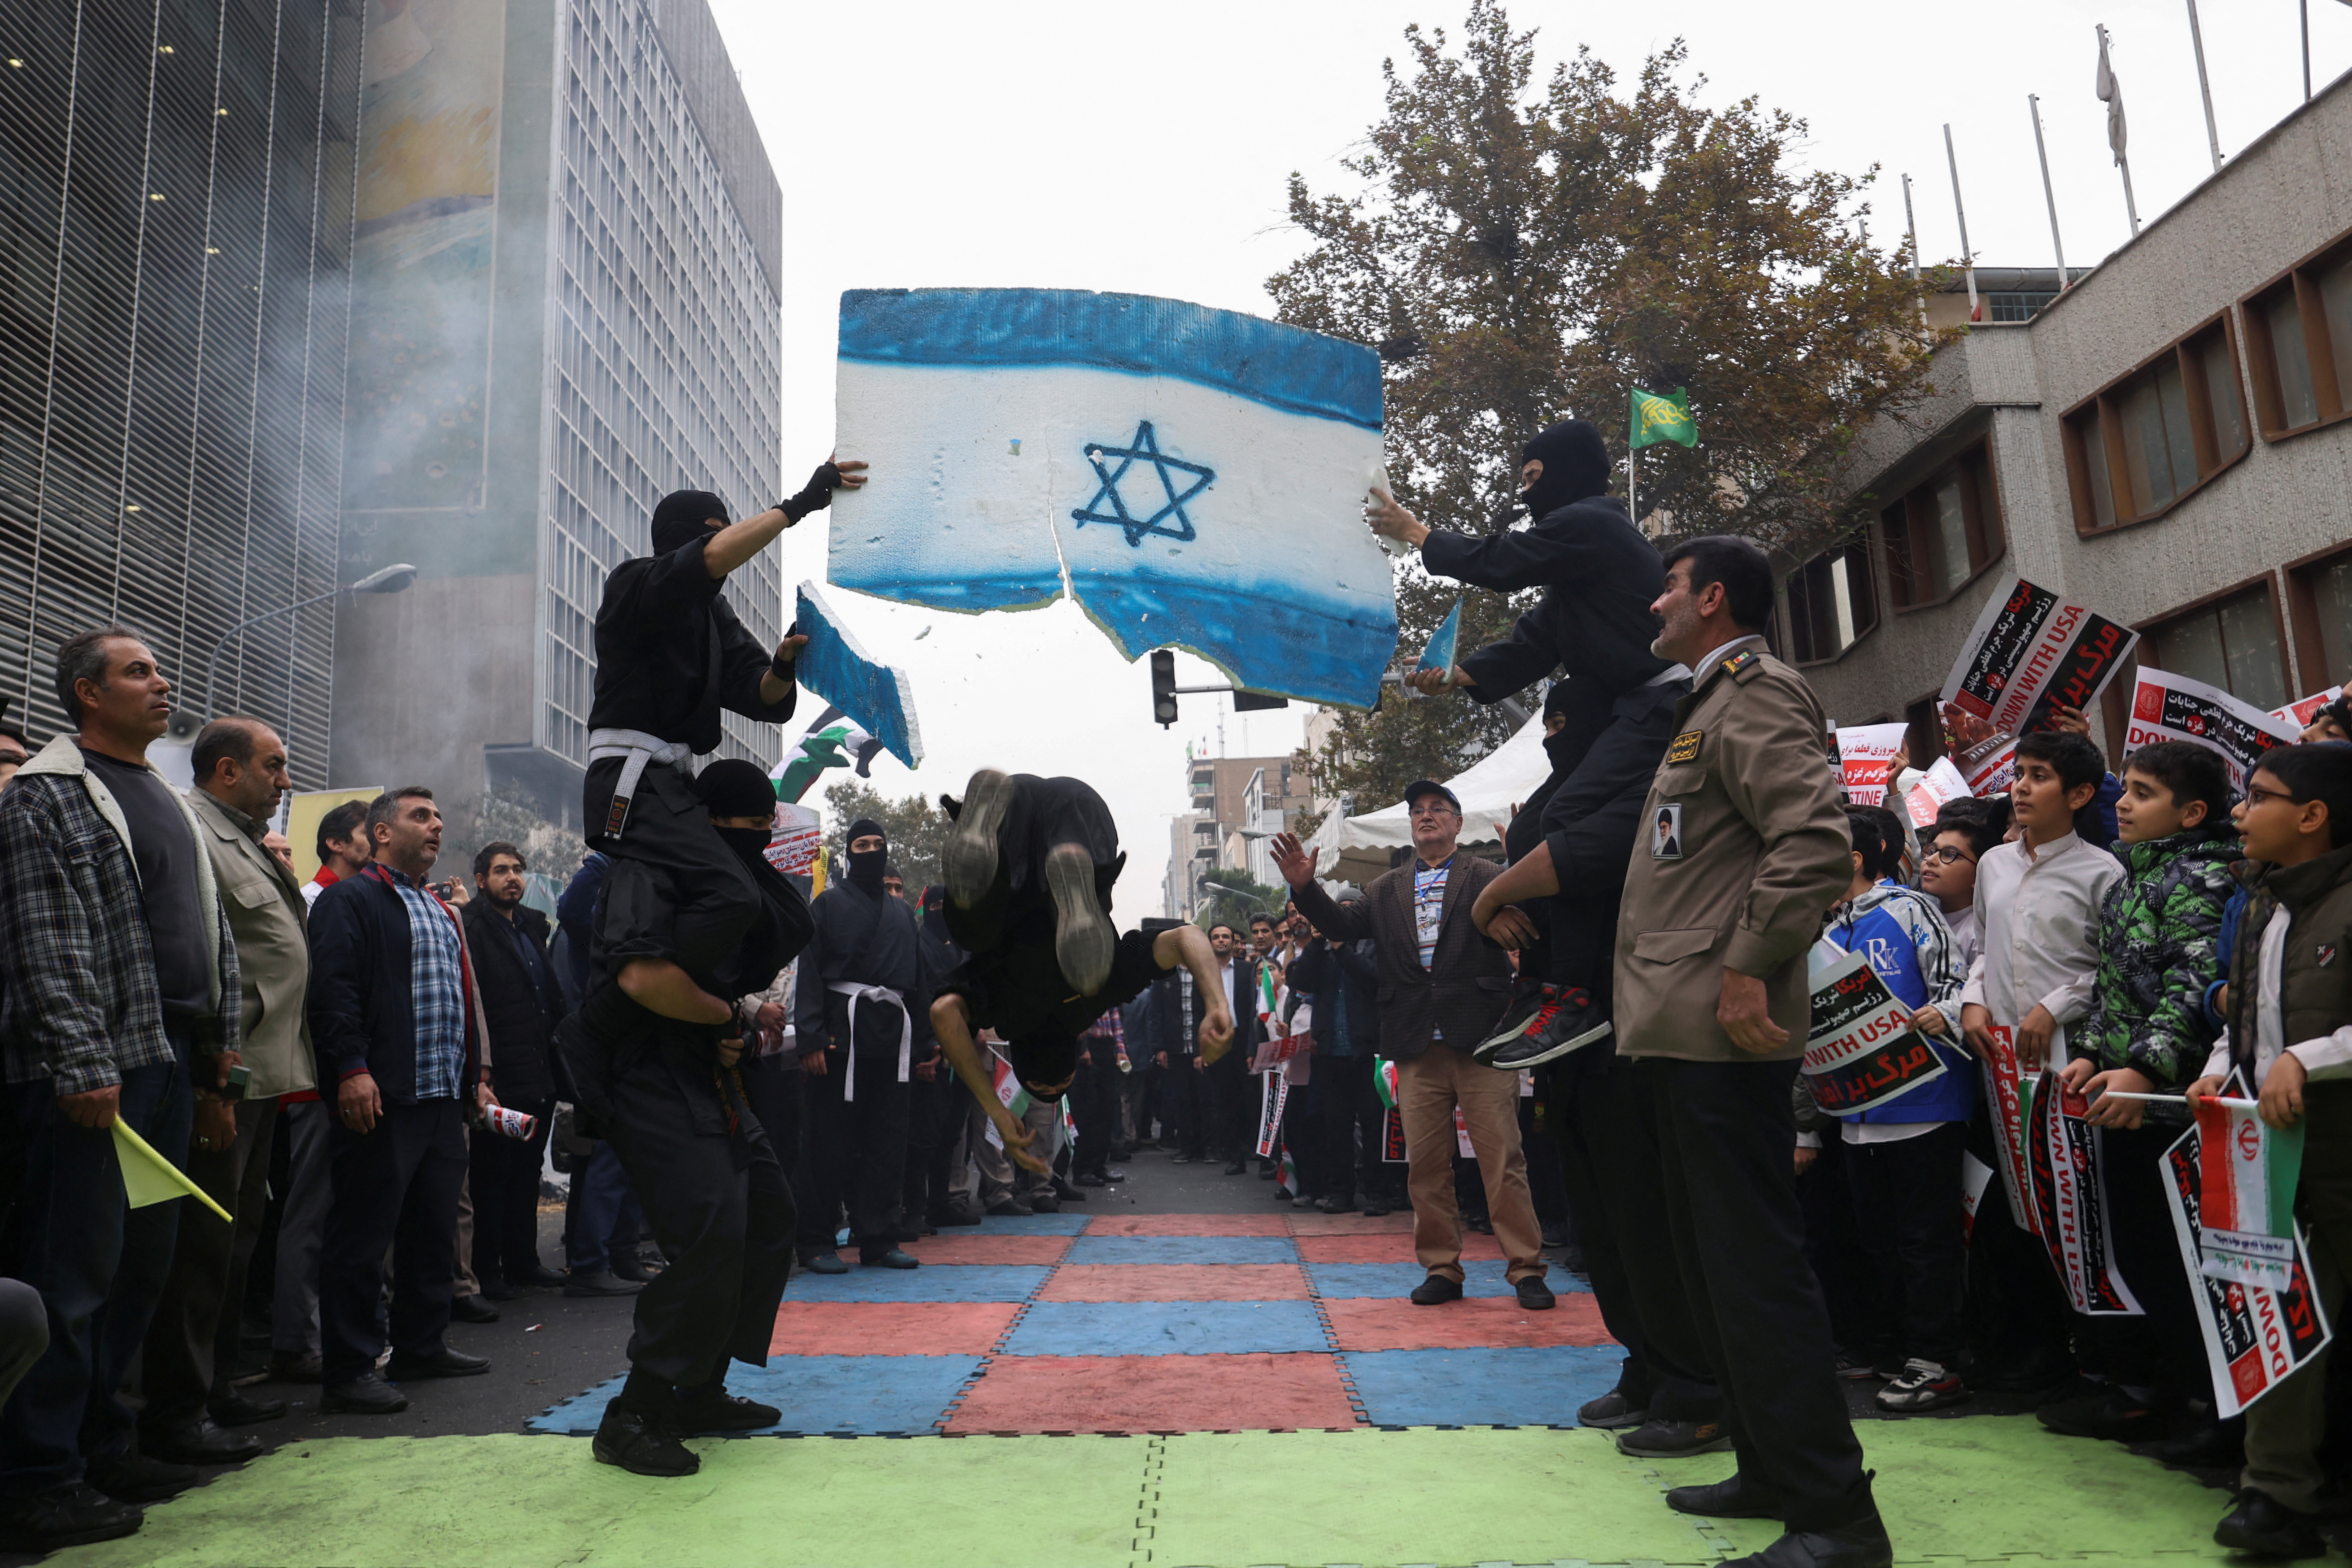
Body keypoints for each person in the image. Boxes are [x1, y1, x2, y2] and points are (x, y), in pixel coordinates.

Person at [1588, 537, 1890, 1568]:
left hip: (1725, 1032)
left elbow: (1813, 840)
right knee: (1720, 1269)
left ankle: (1838, 1517)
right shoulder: (1703, 701)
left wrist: (1751, 963)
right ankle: (1769, 1465)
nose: (1652, 605)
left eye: (1667, 588)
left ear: (1713, 599)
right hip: (1681, 1029)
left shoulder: (1757, 691)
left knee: (1756, 1273)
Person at [0, 629, 243, 1551]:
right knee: (75, 1273)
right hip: (98, 1065)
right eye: (138, 670)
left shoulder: (168, 798)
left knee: (142, 1265)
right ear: (85, 692)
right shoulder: (46, 795)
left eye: (160, 669)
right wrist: (80, 1060)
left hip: (171, 1056)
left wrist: (219, 1051)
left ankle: (109, 1443)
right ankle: (39, 1474)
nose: (161, 681)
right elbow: (43, 939)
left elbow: (209, 934)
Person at [1373, 417, 1678, 1066]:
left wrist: (1419, 535)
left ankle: (1577, 992)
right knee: (1532, 827)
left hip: (1658, 704)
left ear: (1566, 476)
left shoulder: (1594, 523)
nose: (1527, 495)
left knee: (1570, 820)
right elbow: (1535, 640)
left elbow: (1504, 563)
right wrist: (1457, 677)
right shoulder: (1577, 578)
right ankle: (1539, 982)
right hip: (1621, 711)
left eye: (1535, 480)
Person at [562, 758, 809, 1477]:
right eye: (745, 829)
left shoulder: (736, 887)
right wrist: (726, 1012)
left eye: (767, 830)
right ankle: (633, 1413)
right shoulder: (645, 872)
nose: (755, 844)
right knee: (711, 1232)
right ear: (704, 824)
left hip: (705, 1071)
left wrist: (730, 1024)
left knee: (767, 1216)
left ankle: (699, 1388)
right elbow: (643, 977)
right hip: (645, 1074)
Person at [1270, 781, 1556, 1314]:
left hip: (1481, 1040)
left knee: (1503, 1162)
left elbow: (1534, 920)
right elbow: (1339, 926)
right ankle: (1442, 1268)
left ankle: (1526, 1269)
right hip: (1414, 1044)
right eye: (1418, 811)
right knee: (1426, 1165)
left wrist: (1522, 855)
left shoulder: (1489, 876)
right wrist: (1307, 891)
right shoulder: (1384, 889)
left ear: (1457, 822)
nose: (1426, 817)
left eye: (1437, 810)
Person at [581, 472, 858, 993]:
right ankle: (647, 990)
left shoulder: (715, 614)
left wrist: (783, 664)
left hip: (677, 785)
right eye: (713, 532)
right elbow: (707, 559)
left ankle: (717, 993)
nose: (724, 541)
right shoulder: (633, 582)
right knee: (733, 894)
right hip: (630, 780)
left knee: (788, 915)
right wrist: (798, 506)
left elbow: (762, 696)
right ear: (683, 540)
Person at [2184, 744, 2352, 1559]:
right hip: (2272, 1157)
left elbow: (2303, 1041)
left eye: (2255, 797)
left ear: (2311, 817)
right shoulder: (2256, 902)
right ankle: (2275, 1491)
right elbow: (2244, 1020)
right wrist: (2222, 1070)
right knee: (2275, 1317)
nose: (2238, 813)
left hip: (2340, 1149)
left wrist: (2307, 1058)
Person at [2046, 741, 2237, 1452]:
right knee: (2143, 1252)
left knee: (2185, 1257)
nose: (2122, 804)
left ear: (2190, 813)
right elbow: (2116, 982)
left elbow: (2192, 988)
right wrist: (2095, 1050)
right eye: (2125, 790)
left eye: (2143, 793)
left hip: (2177, 1107)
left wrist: (2145, 1074)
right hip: (2128, 1096)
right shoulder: (2132, 877)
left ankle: (2223, 1413)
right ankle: (2188, 1393)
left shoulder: (2204, 876)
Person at [139, 718, 313, 1465]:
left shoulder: (238, 834)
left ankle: (213, 1387)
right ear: (227, 770)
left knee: (238, 1237)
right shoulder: (193, 830)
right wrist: (216, 1077)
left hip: (265, 1074)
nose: (284, 780)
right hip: (226, 1076)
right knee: (202, 1243)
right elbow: (204, 963)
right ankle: (178, 1409)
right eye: (273, 766)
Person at [926, 771, 1234, 1171]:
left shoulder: (1095, 998)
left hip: (1067, 822)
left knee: (992, 933)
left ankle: (1058, 898)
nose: (1052, 1076)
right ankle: (1056, 900)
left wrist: (1217, 1004)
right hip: (1049, 826)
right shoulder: (1004, 1008)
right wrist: (999, 1111)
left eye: (1044, 1082)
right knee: (975, 927)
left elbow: (1186, 937)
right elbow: (943, 1014)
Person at [307, 787, 497, 1416]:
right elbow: (333, 992)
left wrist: (475, 1078)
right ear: (381, 833)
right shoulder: (349, 900)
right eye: (422, 816)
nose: (438, 825)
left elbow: (460, 999)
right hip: (384, 1094)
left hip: (442, 1096)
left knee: (433, 1229)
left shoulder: (438, 909)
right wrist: (352, 1070)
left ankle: (421, 1345)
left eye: (440, 816)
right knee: (362, 1234)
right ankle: (352, 1366)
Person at [1957, 727, 2122, 1400]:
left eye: (2040, 776)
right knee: (2022, 1209)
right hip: (1999, 1061)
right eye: (2018, 773)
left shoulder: (2103, 871)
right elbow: (1983, 948)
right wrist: (1971, 1002)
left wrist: (2055, 1005)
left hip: (2066, 1065)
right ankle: (2041, 1354)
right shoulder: (1994, 865)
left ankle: (2105, 1362)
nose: (2021, 787)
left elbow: (2112, 968)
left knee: (2077, 1209)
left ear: (2080, 795)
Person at [1820, 807, 1973, 1415]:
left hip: (1923, 1103)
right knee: (1878, 1240)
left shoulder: (1911, 910)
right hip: (1857, 1115)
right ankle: (1899, 1349)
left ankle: (1936, 1361)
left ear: (1854, 860)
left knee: (1925, 1241)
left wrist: (1948, 1013)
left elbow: (1956, 988)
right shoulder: (1832, 930)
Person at [794, 819, 928, 1272]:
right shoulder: (828, 905)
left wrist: (926, 1042)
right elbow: (809, 972)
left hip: (893, 1038)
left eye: (878, 844)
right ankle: (815, 1240)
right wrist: (811, 1036)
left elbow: (918, 982)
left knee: (887, 1142)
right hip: (841, 1035)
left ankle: (879, 1238)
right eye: (862, 844)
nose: (871, 850)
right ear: (849, 852)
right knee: (828, 1142)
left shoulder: (903, 913)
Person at [462, 843, 566, 1301]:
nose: (513, 877)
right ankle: (489, 1271)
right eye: (501, 870)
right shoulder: (471, 930)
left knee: (526, 1175)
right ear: (481, 880)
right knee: (492, 1177)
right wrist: (484, 1077)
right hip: (498, 1077)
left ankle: (525, 1262)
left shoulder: (531, 928)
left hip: (537, 1072)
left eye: (518, 869)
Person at [1286, 893, 1397, 1215]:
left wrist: (1341, 947)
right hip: (1329, 1052)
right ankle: (1341, 1193)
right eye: (1339, 912)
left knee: (1374, 1125)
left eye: (1350, 912)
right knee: (1336, 1127)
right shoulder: (1320, 950)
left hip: (1368, 1052)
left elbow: (1373, 980)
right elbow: (1301, 982)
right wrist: (1319, 945)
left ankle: (1377, 1193)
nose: (1343, 918)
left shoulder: (1373, 944)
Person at [305, 798, 369, 909]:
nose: (378, 840)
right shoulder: (309, 900)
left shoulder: (374, 900)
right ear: (336, 844)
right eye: (368, 834)